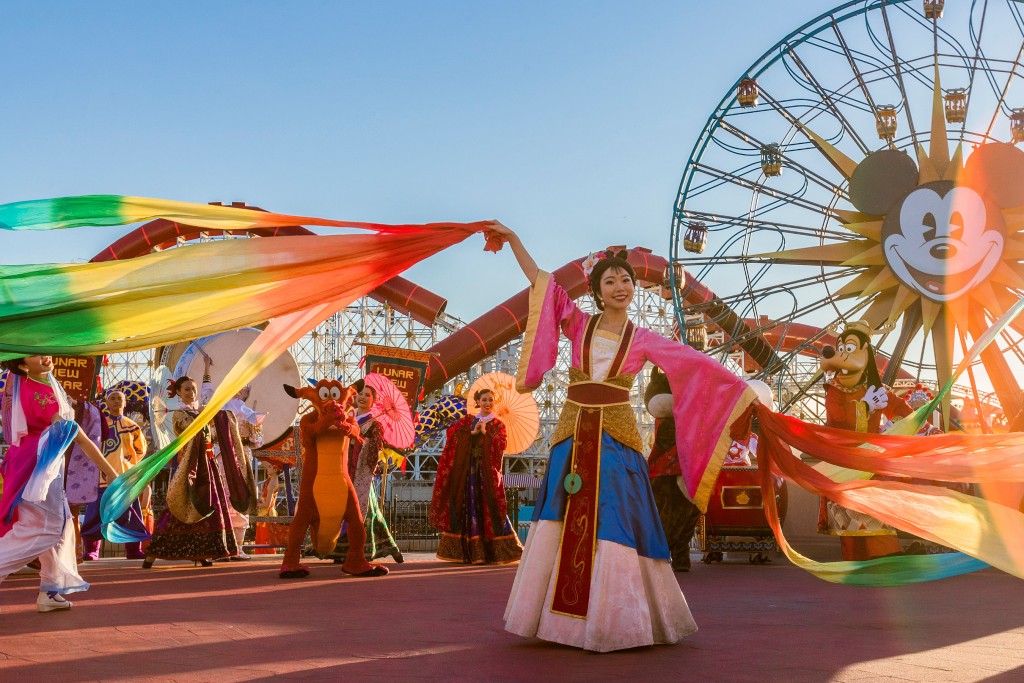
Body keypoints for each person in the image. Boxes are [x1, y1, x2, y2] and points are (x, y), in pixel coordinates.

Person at [490, 223, 755, 652]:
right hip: (573, 434)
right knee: (562, 513)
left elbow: (696, 367)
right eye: (610, 280)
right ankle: (561, 623)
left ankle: (616, 620)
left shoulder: (645, 339)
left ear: (634, 288)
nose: (620, 285)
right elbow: (542, 281)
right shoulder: (578, 325)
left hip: (615, 436)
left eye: (626, 279)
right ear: (596, 291)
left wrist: (741, 392)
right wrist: (515, 239)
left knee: (616, 516)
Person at [0, 356, 119, 612]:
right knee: (46, 529)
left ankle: (50, 591)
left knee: (56, 528)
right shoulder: (43, 394)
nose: (45, 356)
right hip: (39, 468)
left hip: (29, 463)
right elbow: (80, 435)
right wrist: (109, 471)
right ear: (22, 366)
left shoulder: (33, 385)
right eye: (34, 354)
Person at [142, 374, 255, 568]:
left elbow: (217, 426)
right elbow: (189, 431)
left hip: (208, 465)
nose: (191, 392)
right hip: (189, 467)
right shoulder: (179, 413)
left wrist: (217, 415)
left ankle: (203, 552)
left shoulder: (200, 411)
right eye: (186, 389)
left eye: (193, 389)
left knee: (209, 506)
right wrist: (204, 416)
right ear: (178, 392)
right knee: (180, 506)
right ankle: (152, 553)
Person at [429, 387, 523, 565]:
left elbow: (501, 445)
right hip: (469, 471)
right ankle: (466, 552)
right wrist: (470, 434)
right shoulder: (468, 421)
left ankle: (498, 552)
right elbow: (452, 434)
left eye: (490, 400)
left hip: (486, 473)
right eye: (484, 400)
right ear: (477, 402)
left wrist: (488, 435)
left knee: (491, 506)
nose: (487, 403)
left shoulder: (497, 424)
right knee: (466, 505)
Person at [325, 379, 403, 563]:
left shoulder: (374, 424)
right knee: (342, 509)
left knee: (366, 512)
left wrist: (358, 439)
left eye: (367, 395)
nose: (362, 397)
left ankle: (367, 549)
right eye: (360, 394)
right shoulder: (347, 416)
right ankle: (339, 551)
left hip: (360, 472)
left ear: (373, 401)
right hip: (343, 468)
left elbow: (376, 447)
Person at [200, 359, 265, 560]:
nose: (238, 390)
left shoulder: (248, 412)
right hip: (221, 457)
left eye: (241, 387)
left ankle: (237, 546)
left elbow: (258, 441)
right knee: (222, 498)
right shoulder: (217, 405)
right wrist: (207, 368)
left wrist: (250, 432)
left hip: (240, 459)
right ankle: (221, 545)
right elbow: (206, 394)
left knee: (240, 497)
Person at [80, 390, 151, 560]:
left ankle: (133, 549)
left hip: (126, 479)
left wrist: (128, 461)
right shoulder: (99, 424)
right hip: (101, 478)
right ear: (106, 402)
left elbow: (141, 450)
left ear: (125, 403)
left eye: (120, 398)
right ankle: (92, 550)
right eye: (112, 398)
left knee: (130, 514)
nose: (117, 401)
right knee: (96, 514)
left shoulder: (132, 425)